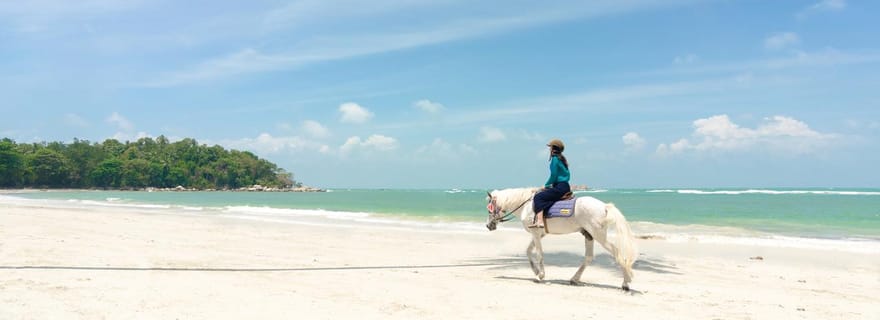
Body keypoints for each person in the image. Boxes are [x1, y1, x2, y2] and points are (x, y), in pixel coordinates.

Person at [528, 138, 571, 229]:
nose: (549, 149)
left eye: (550, 147)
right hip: (565, 186)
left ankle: (540, 221)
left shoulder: (555, 159)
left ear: (553, 148)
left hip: (560, 187)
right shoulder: (562, 159)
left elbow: (554, 175)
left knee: (538, 197)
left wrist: (546, 185)